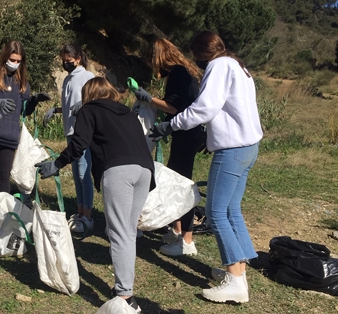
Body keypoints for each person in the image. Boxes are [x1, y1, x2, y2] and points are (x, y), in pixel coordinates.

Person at [149, 31, 263, 303]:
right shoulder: (236, 65)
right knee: (231, 209)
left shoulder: (219, 66)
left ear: (201, 53)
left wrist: (170, 125)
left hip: (232, 149)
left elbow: (204, 108)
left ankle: (235, 282)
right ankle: (238, 271)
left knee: (215, 213)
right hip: (248, 146)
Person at [36, 77, 155, 312]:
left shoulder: (89, 110)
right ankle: (124, 287)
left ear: (88, 95)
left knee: (119, 233)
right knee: (127, 232)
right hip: (144, 170)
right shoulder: (126, 112)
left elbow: (79, 143)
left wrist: (56, 164)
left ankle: (125, 295)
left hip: (118, 171)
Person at [133, 38, 205, 256]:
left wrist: (149, 98)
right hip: (186, 132)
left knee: (181, 184)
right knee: (177, 179)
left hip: (186, 134)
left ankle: (187, 241)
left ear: (159, 57)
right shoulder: (184, 72)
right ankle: (177, 229)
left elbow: (174, 107)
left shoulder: (178, 74)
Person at [0, 40, 50, 238]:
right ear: (4, 57)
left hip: (10, 134)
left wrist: (33, 101)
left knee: (4, 177)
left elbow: (24, 108)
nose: (14, 63)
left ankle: (3, 219)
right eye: (11, 59)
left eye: (18, 60)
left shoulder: (21, 81)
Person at [43, 43, 96, 233]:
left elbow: (98, 99)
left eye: (69, 61)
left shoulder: (87, 77)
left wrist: (85, 103)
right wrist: (56, 110)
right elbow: (69, 105)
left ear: (78, 59)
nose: (66, 64)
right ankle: (80, 212)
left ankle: (88, 216)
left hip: (83, 132)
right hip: (69, 130)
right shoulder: (67, 80)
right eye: (63, 62)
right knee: (75, 175)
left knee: (83, 173)